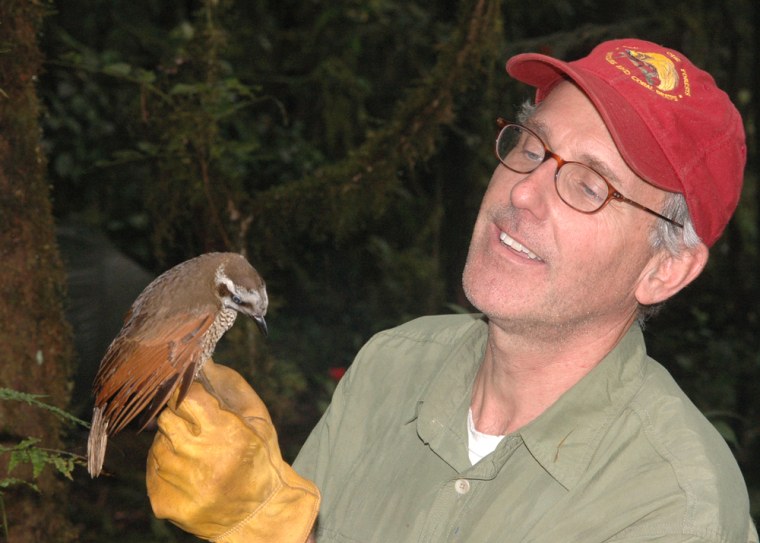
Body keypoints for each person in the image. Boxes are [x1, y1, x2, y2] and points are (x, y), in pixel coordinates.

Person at [144, 39, 758, 543]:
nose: (522, 192)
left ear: (664, 270)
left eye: (591, 186)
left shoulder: (670, 506)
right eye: (532, 147)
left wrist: (266, 529)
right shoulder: (394, 364)